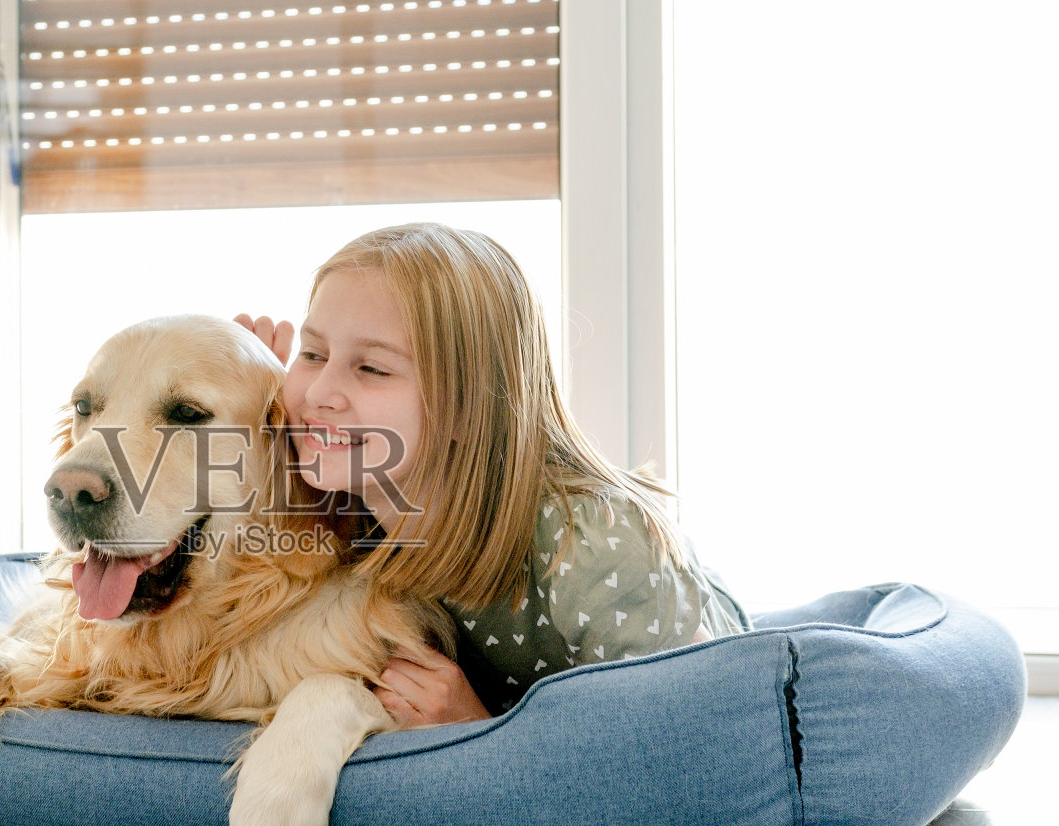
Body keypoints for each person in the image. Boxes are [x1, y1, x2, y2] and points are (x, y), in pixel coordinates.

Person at [237, 222, 748, 727]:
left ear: (467, 407)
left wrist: (476, 732)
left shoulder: (594, 547)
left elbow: (689, 750)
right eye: (313, 354)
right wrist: (238, 392)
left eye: (372, 368)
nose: (320, 391)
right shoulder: (346, 493)